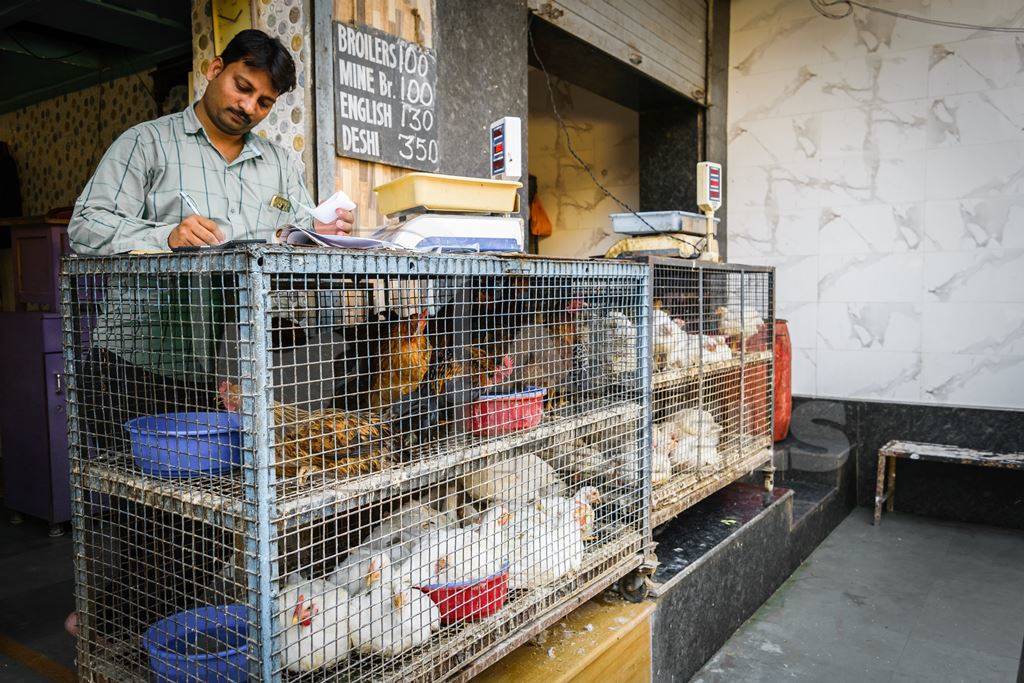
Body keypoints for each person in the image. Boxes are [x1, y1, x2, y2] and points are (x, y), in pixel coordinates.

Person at [67, 29, 354, 451]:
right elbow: (85, 225)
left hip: (228, 375)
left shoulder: (277, 163)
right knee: (140, 506)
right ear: (215, 68)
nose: (248, 107)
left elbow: (295, 239)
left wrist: (322, 236)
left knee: (216, 508)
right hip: (136, 369)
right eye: (243, 87)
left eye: (264, 102)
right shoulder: (147, 143)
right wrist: (164, 235)